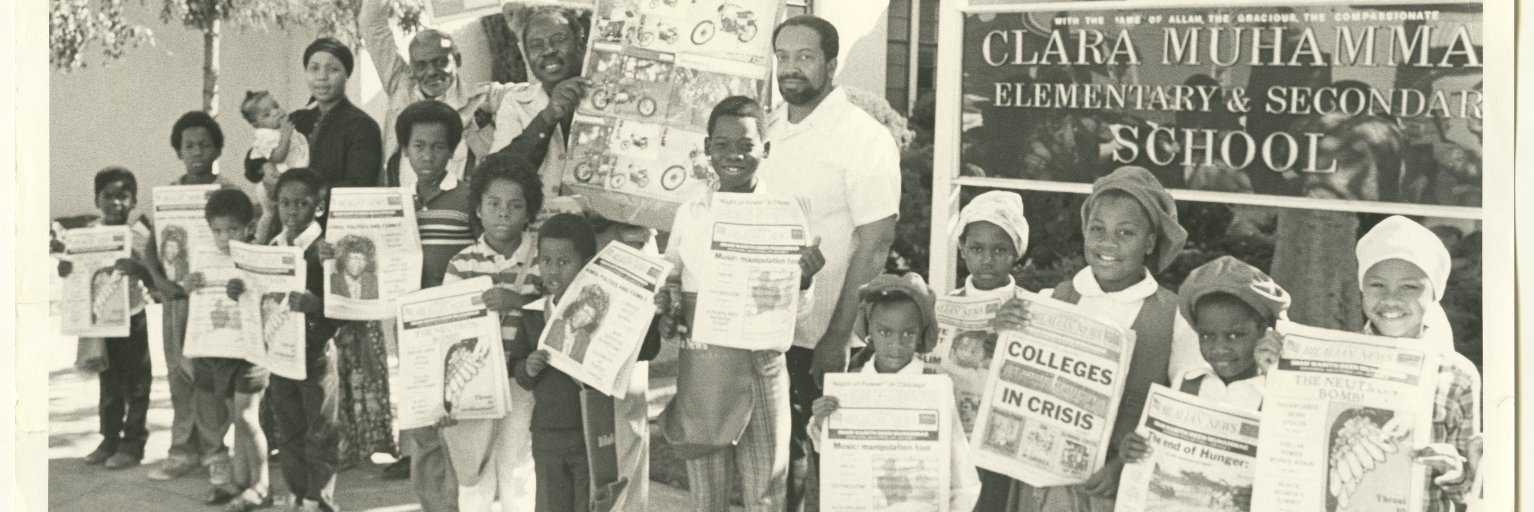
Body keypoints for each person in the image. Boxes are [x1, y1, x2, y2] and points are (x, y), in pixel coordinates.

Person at [989, 165, 1196, 511]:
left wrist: (1123, 464)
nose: (1107, 242)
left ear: (1149, 242)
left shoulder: (1174, 318)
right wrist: (1002, 335)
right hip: (1044, 488)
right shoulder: (1049, 300)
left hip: (1115, 491)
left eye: (1125, 233)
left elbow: (1182, 416)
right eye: (1097, 228)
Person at [659, 96, 824, 512]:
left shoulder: (788, 216)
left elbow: (800, 320)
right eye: (722, 144)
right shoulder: (691, 214)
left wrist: (803, 279)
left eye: (746, 145)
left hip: (762, 367)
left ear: (765, 150)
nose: (733, 155)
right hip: (704, 368)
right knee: (706, 496)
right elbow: (670, 278)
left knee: (765, 493)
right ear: (707, 147)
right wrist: (668, 301)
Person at [764, 17, 902, 509]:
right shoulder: (768, 128)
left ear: (830, 63)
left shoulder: (863, 137)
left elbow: (877, 240)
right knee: (771, 463)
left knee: (820, 463)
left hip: (820, 336)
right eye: (783, 56)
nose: (791, 68)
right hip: (763, 331)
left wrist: (838, 337)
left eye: (804, 56)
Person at [1258, 216, 1480, 512]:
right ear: (1362, 289)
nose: (1391, 299)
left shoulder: (1458, 376)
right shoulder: (1328, 359)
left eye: (1410, 287)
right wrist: (1273, 373)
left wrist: (1458, 472)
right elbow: (1283, 453)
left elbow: (1471, 495)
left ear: (1435, 293)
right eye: (1377, 284)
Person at [508, 213, 662, 512]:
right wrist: (528, 366)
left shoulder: (605, 314)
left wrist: (651, 314)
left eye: (564, 262)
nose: (553, 270)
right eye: (546, 261)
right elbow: (519, 370)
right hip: (547, 433)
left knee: (591, 503)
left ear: (589, 263)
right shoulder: (533, 312)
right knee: (551, 504)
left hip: (591, 434)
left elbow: (646, 350)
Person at [807, 273, 982, 512]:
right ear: (869, 332)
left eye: (908, 333)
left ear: (921, 335)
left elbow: (961, 476)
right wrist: (821, 422)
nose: (896, 344)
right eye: (885, 332)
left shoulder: (935, 388)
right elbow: (834, 457)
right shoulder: (852, 385)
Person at [228, 168, 342, 512]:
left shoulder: (326, 250)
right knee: (287, 430)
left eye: (302, 203)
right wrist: (239, 290)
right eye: (285, 203)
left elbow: (343, 307)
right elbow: (259, 298)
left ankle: (318, 498)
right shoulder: (272, 248)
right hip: (278, 354)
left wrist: (315, 306)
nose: (292, 211)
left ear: (318, 208)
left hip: (315, 354)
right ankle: (297, 494)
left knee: (320, 431)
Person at [439, 153, 545, 512]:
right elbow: (447, 330)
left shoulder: (540, 261)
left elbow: (555, 309)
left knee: (517, 462)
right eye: (494, 204)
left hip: (520, 379)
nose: (503, 213)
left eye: (515, 206)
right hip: (475, 381)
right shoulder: (463, 262)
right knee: (474, 466)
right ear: (478, 209)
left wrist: (515, 299)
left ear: (529, 212)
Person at [1119, 256, 1291, 469]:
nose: (1219, 348)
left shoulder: (1277, 394)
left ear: (1265, 331)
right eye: (1207, 336)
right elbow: (1158, 454)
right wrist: (1133, 449)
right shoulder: (1187, 383)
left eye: (1235, 335)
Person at [148, 111, 244, 488]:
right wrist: (161, 282)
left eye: (205, 144)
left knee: (212, 374)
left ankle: (216, 451)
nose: (198, 151)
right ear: (178, 151)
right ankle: (181, 449)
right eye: (189, 145)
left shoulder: (230, 192)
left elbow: (246, 240)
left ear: (218, 148)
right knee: (179, 373)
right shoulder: (167, 195)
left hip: (216, 298)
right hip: (179, 300)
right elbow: (145, 242)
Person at [360, 0, 522, 188]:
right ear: (412, 67)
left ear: (458, 59)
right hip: (405, 211)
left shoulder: (485, 98)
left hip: (459, 213)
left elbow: (538, 92)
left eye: (440, 62)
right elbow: (371, 25)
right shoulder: (402, 89)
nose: (431, 72)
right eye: (421, 65)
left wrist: (520, 29)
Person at [185, 189, 274, 511]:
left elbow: (268, 295)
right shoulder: (205, 256)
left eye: (232, 229)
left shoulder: (257, 254)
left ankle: (262, 485)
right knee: (237, 418)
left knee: (248, 418)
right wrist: (190, 285)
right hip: (218, 349)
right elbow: (194, 292)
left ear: (249, 227)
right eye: (217, 230)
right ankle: (240, 480)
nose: (224, 237)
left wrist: (246, 287)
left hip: (250, 350)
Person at [62, 167, 155, 470]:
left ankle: (133, 443)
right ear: (96, 199)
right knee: (110, 384)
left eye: (123, 196)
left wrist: (138, 267)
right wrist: (66, 270)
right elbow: (75, 270)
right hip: (102, 323)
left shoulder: (139, 236)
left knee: (137, 385)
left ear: (133, 201)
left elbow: (152, 275)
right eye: (108, 196)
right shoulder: (89, 234)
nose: (116, 203)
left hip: (133, 318)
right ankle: (109, 439)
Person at [489, 5, 590, 199]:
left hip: (614, 227)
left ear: (580, 44)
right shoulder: (516, 103)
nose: (548, 51)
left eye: (559, 40)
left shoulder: (610, 94)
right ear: (527, 56)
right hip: (543, 227)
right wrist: (548, 116)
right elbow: (499, 175)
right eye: (536, 45)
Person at [285, 37, 383, 191]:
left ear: (347, 75)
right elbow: (259, 159)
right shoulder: (296, 120)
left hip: (337, 213)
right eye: (314, 68)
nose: (322, 76)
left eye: (333, 69)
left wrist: (305, 191)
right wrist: (265, 169)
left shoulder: (362, 126)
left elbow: (360, 185)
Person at [241, 90, 311, 243]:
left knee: (274, 215)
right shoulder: (265, 136)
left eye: (275, 106)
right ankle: (260, 243)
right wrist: (286, 135)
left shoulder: (280, 129)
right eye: (266, 114)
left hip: (284, 182)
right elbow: (277, 156)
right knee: (274, 215)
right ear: (256, 124)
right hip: (272, 184)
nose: (275, 112)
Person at [329, 235, 379, 300]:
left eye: (362, 259)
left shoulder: (373, 281)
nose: (357, 264)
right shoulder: (332, 281)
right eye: (352, 258)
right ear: (344, 259)